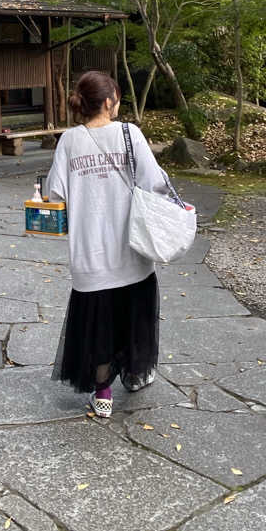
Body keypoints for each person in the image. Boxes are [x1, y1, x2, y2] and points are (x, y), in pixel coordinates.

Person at [46, 69, 173, 419]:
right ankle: (135, 373)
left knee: (97, 325)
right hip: (132, 252)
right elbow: (155, 183)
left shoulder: (69, 141)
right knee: (135, 317)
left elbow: (54, 194)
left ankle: (102, 394)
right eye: (115, 99)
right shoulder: (131, 134)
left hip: (91, 255)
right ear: (107, 102)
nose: (117, 105)